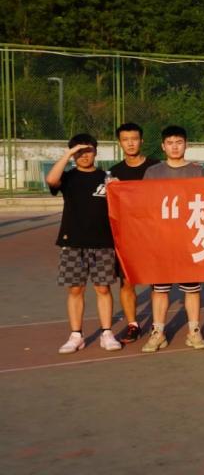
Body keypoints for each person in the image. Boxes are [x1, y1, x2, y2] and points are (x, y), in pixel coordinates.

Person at [46, 134, 123, 354]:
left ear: (95, 152)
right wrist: (68, 154)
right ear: (72, 154)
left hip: (103, 242)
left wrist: (118, 188)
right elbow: (51, 180)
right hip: (73, 242)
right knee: (75, 289)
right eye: (78, 152)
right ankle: (76, 335)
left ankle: (107, 333)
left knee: (103, 288)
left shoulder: (107, 177)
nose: (84, 155)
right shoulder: (68, 178)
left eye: (88, 150)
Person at [141, 125, 204, 352]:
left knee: (192, 289)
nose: (175, 146)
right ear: (163, 146)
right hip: (161, 240)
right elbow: (143, 204)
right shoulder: (153, 173)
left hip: (188, 240)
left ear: (186, 144)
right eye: (170, 143)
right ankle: (158, 332)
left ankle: (194, 331)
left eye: (179, 142)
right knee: (160, 289)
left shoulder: (198, 171)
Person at [107, 122, 159, 344]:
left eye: (134, 139)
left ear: (141, 141)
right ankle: (133, 325)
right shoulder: (113, 173)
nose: (130, 143)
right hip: (127, 236)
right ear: (120, 143)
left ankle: (158, 326)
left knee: (158, 282)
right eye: (125, 139)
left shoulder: (156, 168)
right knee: (127, 282)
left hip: (154, 234)